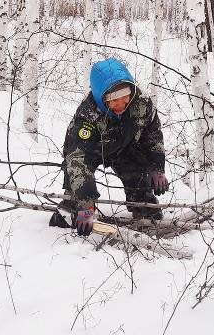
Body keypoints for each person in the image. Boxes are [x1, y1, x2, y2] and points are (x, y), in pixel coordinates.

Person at [49, 57, 168, 236]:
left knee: (142, 186)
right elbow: (78, 161)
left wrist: (156, 167)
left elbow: (153, 135)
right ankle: (69, 213)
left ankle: (144, 210)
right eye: (113, 99)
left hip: (124, 149)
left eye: (125, 95)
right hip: (89, 152)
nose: (120, 104)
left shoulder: (142, 104)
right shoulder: (87, 116)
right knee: (75, 201)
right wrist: (87, 205)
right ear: (100, 96)